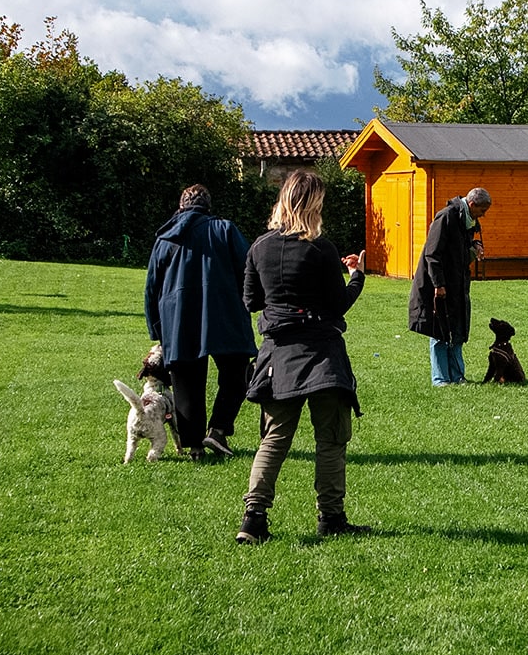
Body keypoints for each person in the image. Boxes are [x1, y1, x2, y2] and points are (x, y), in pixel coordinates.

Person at [236, 170, 370, 544]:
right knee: (330, 438)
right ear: (314, 204)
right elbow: (338, 303)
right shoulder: (320, 248)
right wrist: (356, 275)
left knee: (274, 438)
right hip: (322, 353)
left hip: (278, 354)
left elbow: (251, 302)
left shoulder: (259, 247)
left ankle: (254, 518)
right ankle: (331, 517)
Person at [145, 184, 256, 461]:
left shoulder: (165, 238)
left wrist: (156, 328)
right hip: (224, 314)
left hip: (177, 318)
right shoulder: (225, 230)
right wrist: (253, 302)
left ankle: (194, 446)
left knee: (186, 383)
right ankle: (217, 430)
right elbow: (248, 269)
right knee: (238, 371)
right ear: (208, 206)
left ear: (181, 206)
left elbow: (152, 287)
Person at [408, 187, 491, 386]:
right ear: (472, 205)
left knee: (456, 329)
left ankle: (457, 376)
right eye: (482, 211)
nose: (484, 215)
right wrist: (439, 284)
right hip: (437, 284)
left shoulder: (467, 220)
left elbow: (460, 250)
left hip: (457, 283)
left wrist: (474, 247)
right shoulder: (445, 217)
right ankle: (440, 379)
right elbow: (432, 253)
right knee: (440, 330)